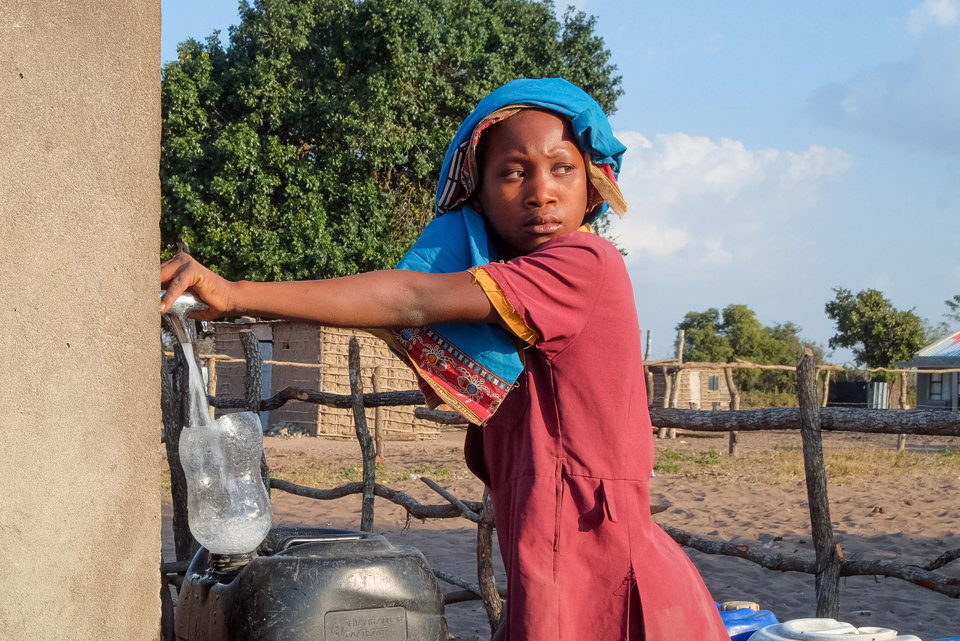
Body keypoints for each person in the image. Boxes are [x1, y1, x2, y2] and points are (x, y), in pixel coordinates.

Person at [161, 78, 729, 641]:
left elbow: (411, 298)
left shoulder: (584, 263)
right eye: (513, 172)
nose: (541, 192)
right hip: (551, 564)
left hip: (600, 573)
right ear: (476, 192)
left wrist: (235, 293)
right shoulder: (506, 306)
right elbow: (398, 308)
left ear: (593, 183)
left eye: (563, 168)